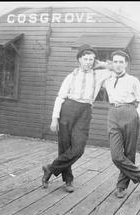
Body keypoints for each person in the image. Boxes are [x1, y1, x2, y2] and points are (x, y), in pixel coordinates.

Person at [42, 44, 112, 192]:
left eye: (91, 59)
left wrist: (101, 64)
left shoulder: (99, 74)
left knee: (78, 148)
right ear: (79, 60)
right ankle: (68, 180)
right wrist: (54, 118)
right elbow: (60, 97)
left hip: (85, 112)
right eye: (85, 59)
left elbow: (115, 68)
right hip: (67, 110)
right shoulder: (71, 76)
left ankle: (50, 168)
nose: (88, 62)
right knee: (65, 147)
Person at [102, 50, 140, 198]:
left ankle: (121, 186)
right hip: (113, 114)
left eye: (121, 62)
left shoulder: (133, 80)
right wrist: (106, 66)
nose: (118, 65)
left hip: (130, 113)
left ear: (126, 64)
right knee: (116, 155)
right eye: (115, 62)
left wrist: (137, 114)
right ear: (112, 63)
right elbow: (95, 68)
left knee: (129, 153)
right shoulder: (107, 79)